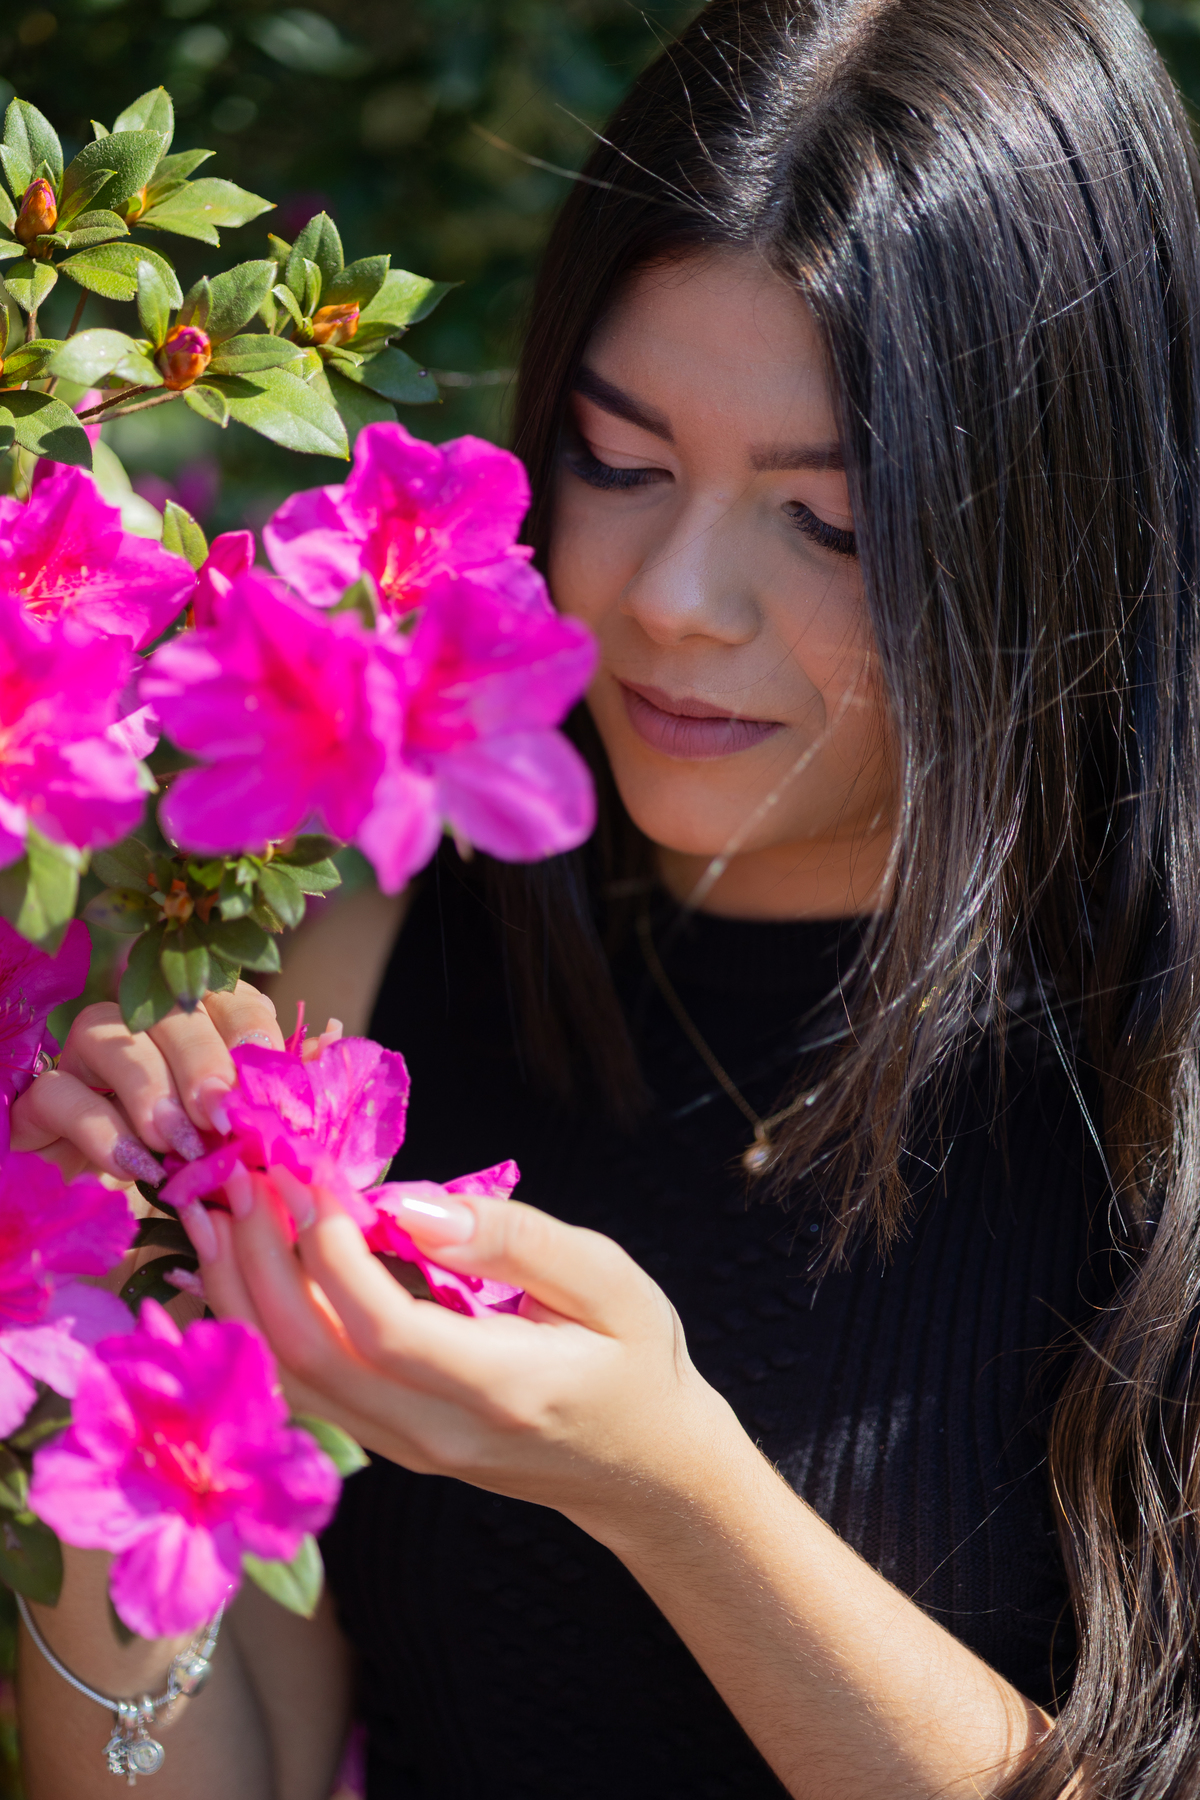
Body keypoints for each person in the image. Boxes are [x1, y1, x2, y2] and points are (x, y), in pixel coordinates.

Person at [12, 0, 1200, 1793]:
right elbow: (195, 1762)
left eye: (831, 519)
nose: (670, 599)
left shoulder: (1152, 1070)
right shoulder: (374, 969)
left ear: (1053, 521)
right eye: (618, 463)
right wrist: (101, 1349)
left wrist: (672, 1488)